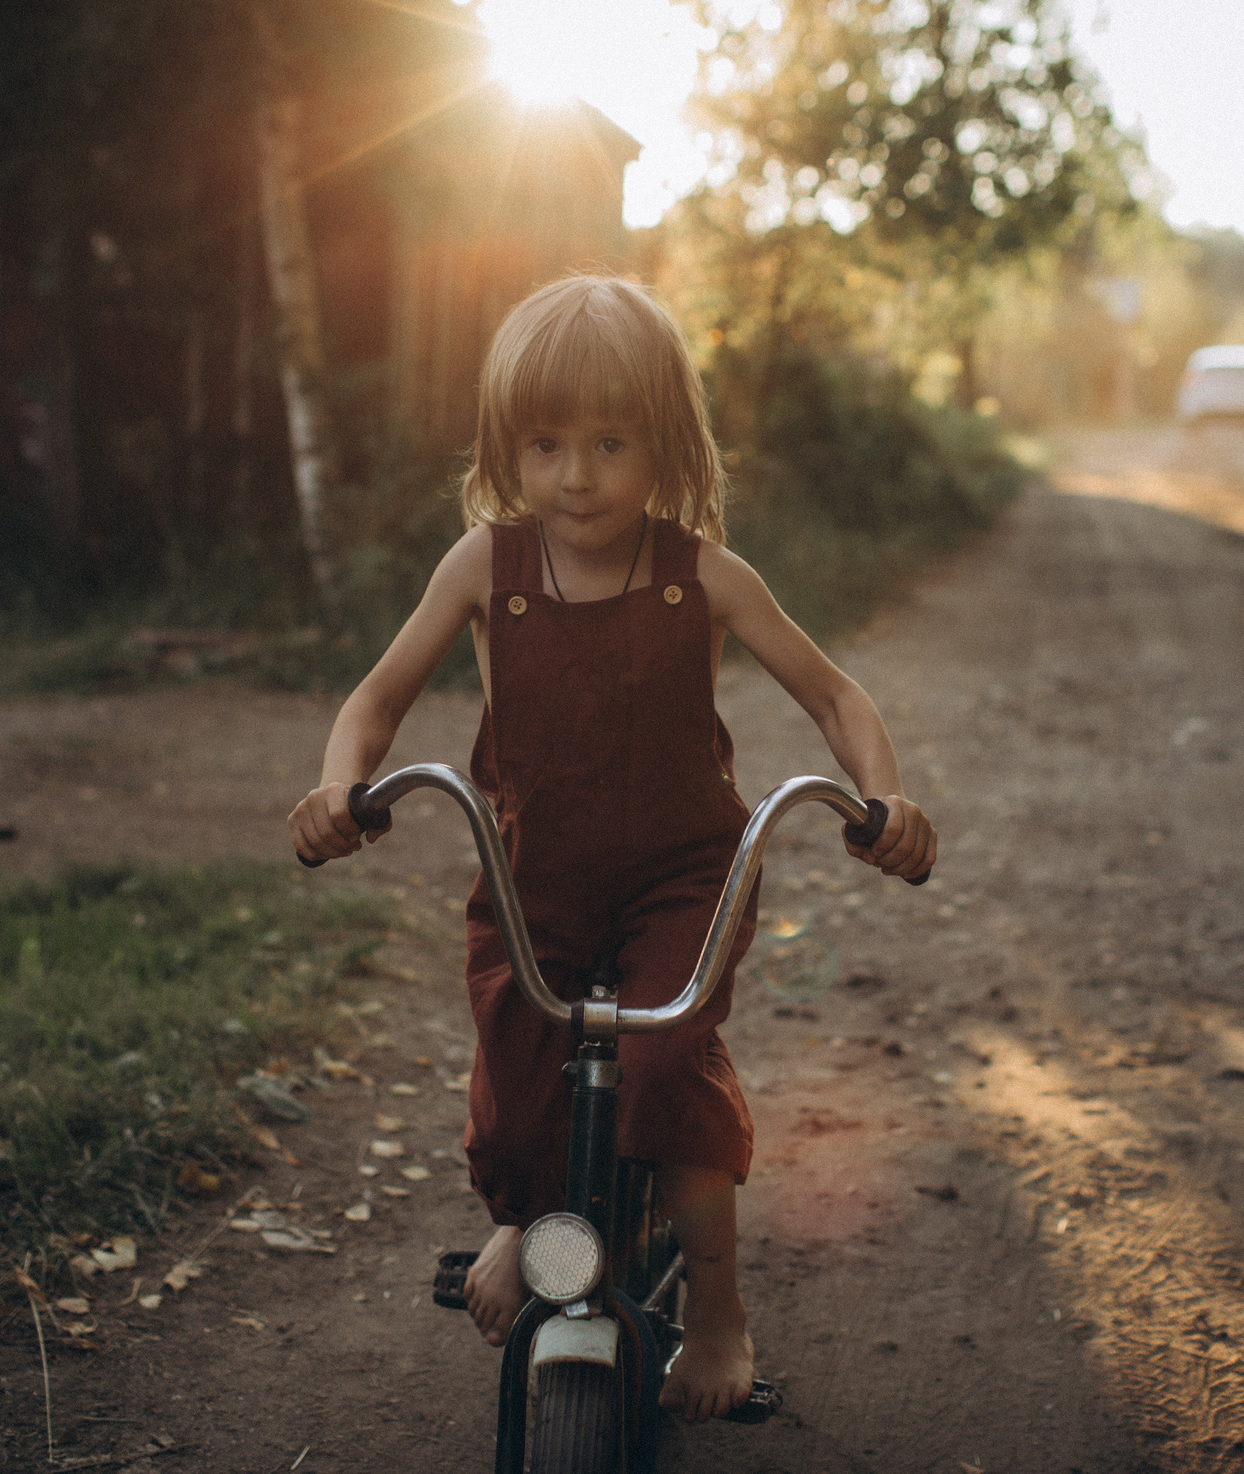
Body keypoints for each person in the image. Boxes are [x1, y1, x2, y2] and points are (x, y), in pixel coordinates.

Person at [287, 274, 935, 1422]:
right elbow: (376, 699)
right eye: (545, 444)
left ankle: (719, 1316)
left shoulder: (705, 576)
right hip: (532, 881)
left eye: (608, 442)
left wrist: (884, 800)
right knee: (516, 1097)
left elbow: (836, 697)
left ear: (664, 445)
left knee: (667, 1068)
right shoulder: (483, 567)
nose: (575, 476)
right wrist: (342, 785)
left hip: (683, 880)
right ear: (507, 445)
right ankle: (525, 1224)